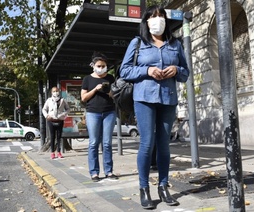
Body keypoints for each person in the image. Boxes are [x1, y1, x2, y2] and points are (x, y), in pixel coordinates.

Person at [119, 5, 189, 209]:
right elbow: (125, 71)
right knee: (147, 144)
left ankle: (164, 186)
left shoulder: (175, 44)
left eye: (161, 17)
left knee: (164, 145)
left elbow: (185, 73)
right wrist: (147, 70)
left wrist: (176, 69)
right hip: (144, 99)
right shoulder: (138, 43)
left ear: (166, 21)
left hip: (168, 99)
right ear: (146, 21)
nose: (157, 20)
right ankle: (144, 188)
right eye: (153, 17)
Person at [81, 52, 118, 182]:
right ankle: (94, 173)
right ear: (93, 66)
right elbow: (83, 97)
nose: (101, 68)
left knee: (107, 143)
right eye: (99, 65)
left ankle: (109, 171)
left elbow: (116, 95)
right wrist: (95, 89)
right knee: (93, 143)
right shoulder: (87, 79)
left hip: (109, 112)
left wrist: (109, 91)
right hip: (93, 113)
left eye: (103, 65)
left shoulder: (111, 78)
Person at [42, 87, 70, 159]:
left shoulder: (62, 100)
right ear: (51, 92)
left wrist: (63, 114)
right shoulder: (49, 100)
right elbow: (44, 109)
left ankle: (59, 152)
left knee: (59, 136)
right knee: (52, 136)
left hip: (60, 120)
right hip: (51, 120)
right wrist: (47, 116)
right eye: (54, 91)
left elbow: (68, 109)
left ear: (59, 91)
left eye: (56, 91)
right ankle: (52, 152)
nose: (55, 92)